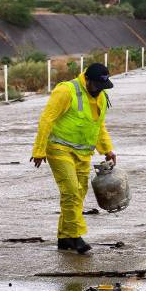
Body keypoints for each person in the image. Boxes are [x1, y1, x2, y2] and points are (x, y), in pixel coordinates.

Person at [30, 63, 117, 254]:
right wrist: (39, 150)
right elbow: (47, 119)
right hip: (59, 149)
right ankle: (76, 236)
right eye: (97, 86)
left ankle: (64, 237)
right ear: (87, 80)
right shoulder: (66, 91)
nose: (100, 90)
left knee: (78, 194)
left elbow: (99, 126)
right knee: (70, 191)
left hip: (83, 153)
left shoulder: (101, 97)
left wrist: (107, 149)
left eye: (103, 87)